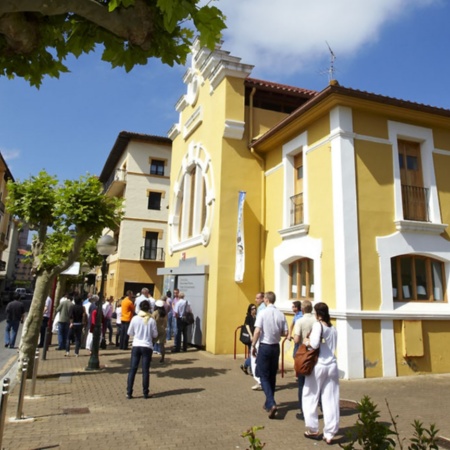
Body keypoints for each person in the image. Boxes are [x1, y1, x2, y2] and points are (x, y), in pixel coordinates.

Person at [302, 302, 339, 444]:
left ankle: (312, 428)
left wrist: (306, 341)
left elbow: (315, 344)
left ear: (317, 314)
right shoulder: (333, 328)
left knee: (310, 395)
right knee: (331, 399)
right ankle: (330, 433)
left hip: (319, 365)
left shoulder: (318, 325)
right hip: (332, 365)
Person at [251, 291, 288, 419]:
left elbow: (257, 330)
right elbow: (285, 332)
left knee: (263, 375)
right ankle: (268, 403)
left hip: (265, 346)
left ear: (266, 300)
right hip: (275, 347)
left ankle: (271, 403)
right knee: (272, 375)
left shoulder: (262, 313)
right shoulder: (281, 314)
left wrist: (253, 345)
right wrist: (276, 333)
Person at [126, 300, 158, 399]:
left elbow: (129, 332)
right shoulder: (151, 320)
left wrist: (137, 333)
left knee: (133, 369)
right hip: (147, 346)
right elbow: (155, 334)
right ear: (149, 308)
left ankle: (129, 392)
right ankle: (145, 392)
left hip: (136, 345)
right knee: (145, 370)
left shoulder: (135, 318)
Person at [293, 300, 316, 417]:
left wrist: (293, 337)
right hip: (315, 353)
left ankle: (303, 410)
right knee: (314, 382)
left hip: (304, 353)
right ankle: (315, 406)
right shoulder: (316, 321)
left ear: (302, 309)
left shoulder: (300, 321)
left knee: (302, 383)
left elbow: (297, 339)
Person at [250, 292, 266, 390]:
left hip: (261, 338)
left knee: (255, 359)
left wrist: (254, 341)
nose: (256, 300)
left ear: (263, 298)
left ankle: (259, 381)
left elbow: (258, 327)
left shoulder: (261, 309)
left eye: (257, 298)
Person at [240, 303, 256, 375]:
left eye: (255, 308)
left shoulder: (256, 317)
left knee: (254, 354)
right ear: (250, 310)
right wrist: (251, 335)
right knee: (252, 354)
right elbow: (247, 326)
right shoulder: (248, 317)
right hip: (251, 338)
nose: (254, 310)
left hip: (256, 337)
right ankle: (250, 369)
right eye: (252, 309)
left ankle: (245, 366)